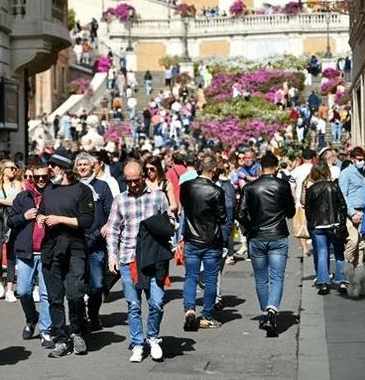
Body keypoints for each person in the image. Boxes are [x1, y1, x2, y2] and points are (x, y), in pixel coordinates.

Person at [106, 160, 169, 363]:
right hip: (128, 258)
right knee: (133, 305)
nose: (132, 185)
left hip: (153, 260)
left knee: (157, 303)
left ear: (143, 176)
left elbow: (169, 222)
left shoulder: (158, 196)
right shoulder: (120, 200)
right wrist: (112, 256)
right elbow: (113, 229)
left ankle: (152, 337)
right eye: (128, 181)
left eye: (135, 180)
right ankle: (138, 343)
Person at [38, 154, 94, 358]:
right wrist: (41, 218)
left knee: (75, 294)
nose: (49, 169)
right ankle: (61, 339)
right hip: (51, 249)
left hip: (75, 248)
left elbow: (87, 221)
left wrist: (59, 219)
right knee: (54, 298)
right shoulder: (48, 190)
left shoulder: (82, 190)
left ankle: (77, 331)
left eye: (52, 166)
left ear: (63, 168)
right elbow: (42, 212)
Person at [236, 151, 295, 337]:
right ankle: (272, 309)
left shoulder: (250, 188)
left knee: (261, 278)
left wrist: (251, 227)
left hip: (257, 236)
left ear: (261, 168)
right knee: (277, 276)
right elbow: (291, 212)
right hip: (278, 235)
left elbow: (240, 214)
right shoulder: (282, 186)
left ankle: (266, 312)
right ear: (276, 168)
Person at [8, 165, 54, 349]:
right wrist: (24, 216)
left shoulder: (54, 194)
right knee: (23, 291)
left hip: (46, 251)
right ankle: (31, 318)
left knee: (45, 293)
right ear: (31, 178)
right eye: (37, 177)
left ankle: (46, 330)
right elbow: (10, 221)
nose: (41, 180)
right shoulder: (22, 197)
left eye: (44, 176)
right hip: (25, 252)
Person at [180, 156, 227, 330]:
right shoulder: (216, 191)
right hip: (211, 240)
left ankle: (189, 310)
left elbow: (185, 209)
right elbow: (222, 217)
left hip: (191, 238)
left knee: (190, 276)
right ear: (214, 170)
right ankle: (206, 315)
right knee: (210, 278)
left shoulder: (185, 187)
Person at [75, 153, 113, 332]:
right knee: (78, 284)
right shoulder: (72, 187)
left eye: (85, 164)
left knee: (97, 285)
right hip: (77, 244)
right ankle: (81, 317)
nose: (82, 167)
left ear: (93, 166)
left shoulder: (102, 187)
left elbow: (112, 214)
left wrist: (104, 229)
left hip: (97, 243)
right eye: (79, 165)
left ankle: (94, 313)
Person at [304, 161, 347, 295]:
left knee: (322, 253)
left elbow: (308, 209)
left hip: (318, 224)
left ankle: (323, 283)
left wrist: (311, 223)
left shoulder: (311, 189)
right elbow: (342, 205)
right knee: (339, 253)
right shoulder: (334, 186)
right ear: (327, 172)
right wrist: (342, 220)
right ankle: (342, 281)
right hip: (334, 224)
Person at [0, 159, 22, 301]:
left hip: (12, 219)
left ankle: (10, 289)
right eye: (11, 168)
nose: (14, 170)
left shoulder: (17, 184)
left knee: (12, 254)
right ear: (3, 169)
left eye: (15, 168)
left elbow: (16, 202)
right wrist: (3, 202)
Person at [338, 146, 365, 295]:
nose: (363, 162)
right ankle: (347, 273)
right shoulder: (346, 174)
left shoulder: (362, 174)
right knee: (353, 241)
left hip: (363, 211)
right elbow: (343, 195)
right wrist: (351, 213)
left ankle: (359, 278)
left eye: (364, 160)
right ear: (352, 159)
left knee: (361, 245)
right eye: (360, 160)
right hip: (352, 213)